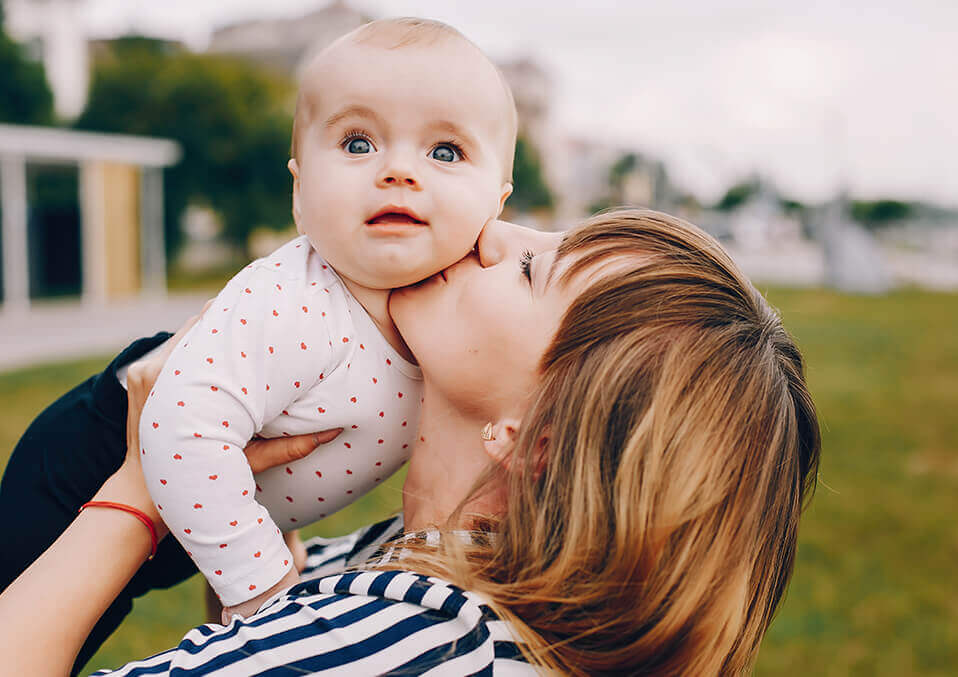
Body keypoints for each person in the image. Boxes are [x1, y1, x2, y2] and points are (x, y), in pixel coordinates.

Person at [0, 211, 820, 675]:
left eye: (535, 271)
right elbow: (254, 632)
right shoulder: (428, 565)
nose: (491, 232)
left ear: (536, 442)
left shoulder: (414, 646)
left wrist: (142, 485)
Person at [0, 14, 520, 640]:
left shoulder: (458, 320)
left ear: (498, 202)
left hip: (200, 509)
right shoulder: (298, 302)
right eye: (359, 144)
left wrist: (277, 522)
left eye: (445, 151)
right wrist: (263, 589)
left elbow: (302, 417)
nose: (398, 171)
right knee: (42, 628)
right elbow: (177, 432)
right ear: (299, 191)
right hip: (95, 467)